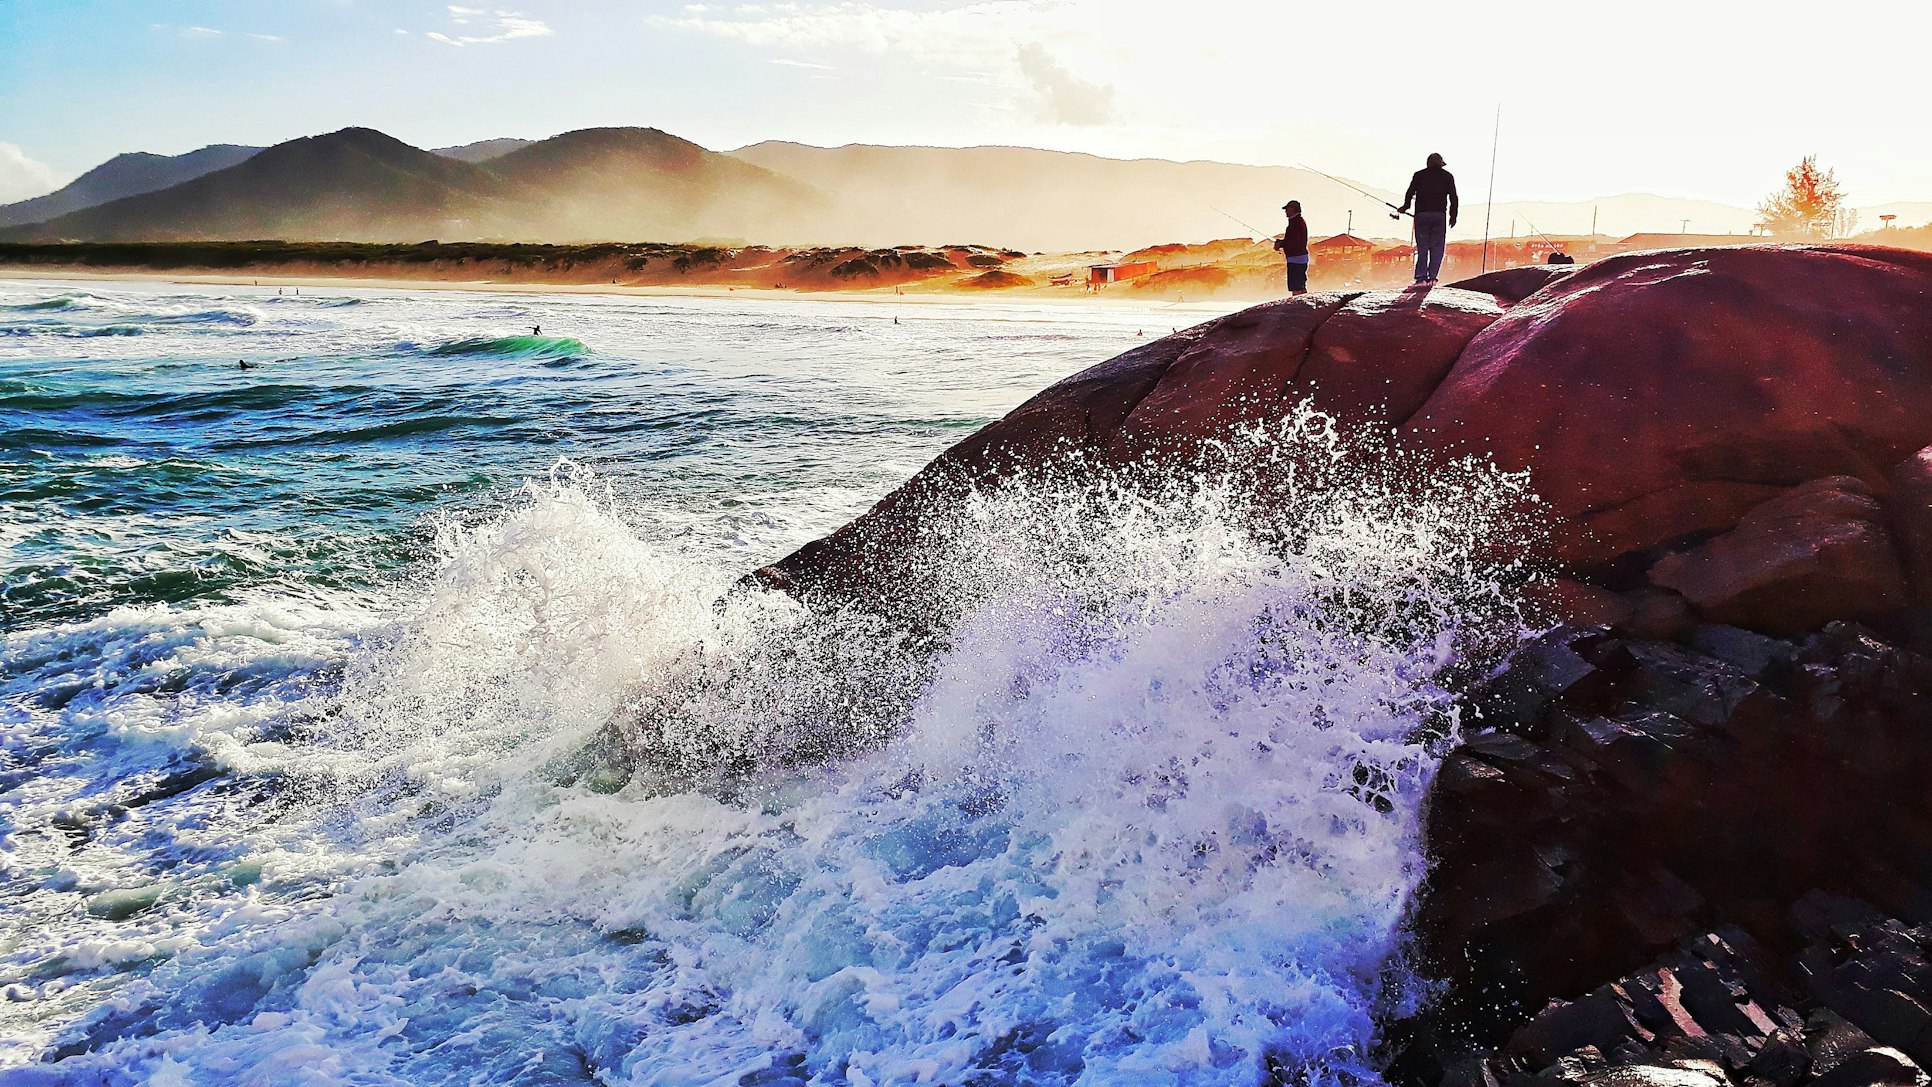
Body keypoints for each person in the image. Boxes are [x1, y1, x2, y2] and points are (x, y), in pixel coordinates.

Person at [1397, 153, 1459, 284]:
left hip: (1421, 215)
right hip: (1439, 215)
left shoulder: (1419, 175)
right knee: (1437, 247)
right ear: (1441, 164)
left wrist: (1405, 207)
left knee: (1422, 247)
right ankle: (1432, 278)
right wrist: (1453, 216)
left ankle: (1421, 278)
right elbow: (1454, 197)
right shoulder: (1447, 176)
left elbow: (1410, 192)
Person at [1274, 199, 1310, 296]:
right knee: (1299, 284)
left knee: (1296, 286)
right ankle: (1303, 303)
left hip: (1296, 258)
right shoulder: (1297, 222)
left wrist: (1281, 244)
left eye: (1287, 209)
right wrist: (1282, 243)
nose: (1285, 212)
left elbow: (1294, 241)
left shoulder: (1295, 223)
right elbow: (1293, 240)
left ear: (1293, 209)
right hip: (1299, 257)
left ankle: (1300, 306)